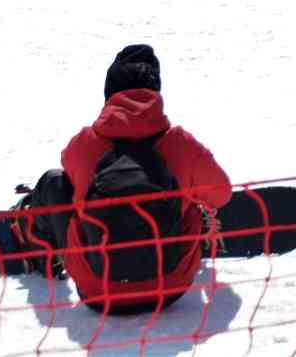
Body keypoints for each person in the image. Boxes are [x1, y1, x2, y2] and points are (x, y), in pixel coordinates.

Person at [12, 44, 232, 314]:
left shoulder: (84, 143)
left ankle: (38, 245)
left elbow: (70, 183)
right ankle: (196, 234)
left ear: (109, 92)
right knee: (194, 199)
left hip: (97, 292)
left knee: (54, 183)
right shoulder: (181, 144)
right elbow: (222, 193)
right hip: (169, 289)